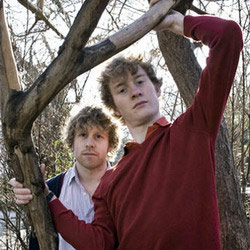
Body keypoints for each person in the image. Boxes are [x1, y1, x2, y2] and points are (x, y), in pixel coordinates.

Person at [11, 0, 243, 248]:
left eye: (140, 82)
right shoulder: (110, 181)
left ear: (156, 88)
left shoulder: (194, 128)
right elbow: (99, 244)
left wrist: (176, 22)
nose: (134, 91)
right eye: (122, 89)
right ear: (115, 109)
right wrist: (46, 196)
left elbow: (227, 36)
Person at [9, 106, 119, 250]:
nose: (89, 143)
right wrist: (26, 193)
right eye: (83, 135)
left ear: (110, 144)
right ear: (71, 141)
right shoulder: (52, 189)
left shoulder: (124, 187)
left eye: (98, 136)